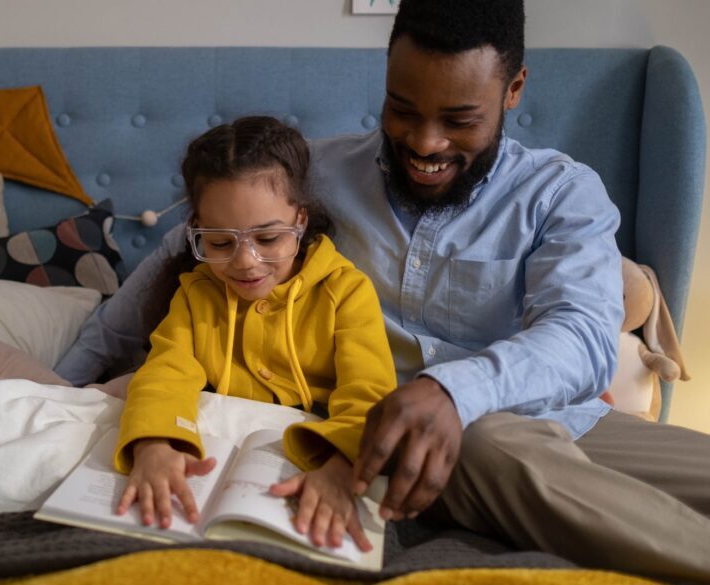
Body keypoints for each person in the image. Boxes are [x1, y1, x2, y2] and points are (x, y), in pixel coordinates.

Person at [57, 0, 710, 580]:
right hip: (444, 445)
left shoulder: (562, 193)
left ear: (514, 90)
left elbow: (587, 338)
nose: (425, 143)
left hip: (567, 419)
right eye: (403, 110)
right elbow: (189, 249)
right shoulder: (311, 176)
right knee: (483, 441)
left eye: (459, 120)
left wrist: (456, 388)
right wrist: (57, 386)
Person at [110, 116, 397, 552]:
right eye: (221, 243)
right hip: (218, 455)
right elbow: (164, 373)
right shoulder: (196, 294)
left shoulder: (346, 291)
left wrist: (342, 468)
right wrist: (152, 443)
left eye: (267, 238)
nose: (245, 262)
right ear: (196, 230)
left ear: (300, 221)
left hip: (310, 457)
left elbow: (370, 394)